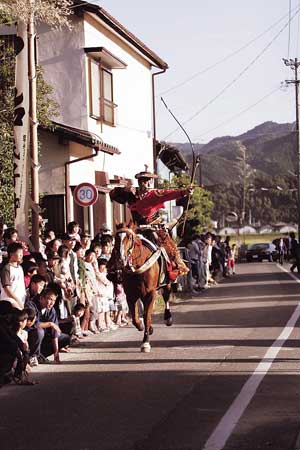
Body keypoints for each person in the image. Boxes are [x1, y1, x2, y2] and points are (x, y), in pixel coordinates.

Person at [109, 170, 193, 275]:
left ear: (151, 182)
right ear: (138, 182)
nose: (145, 184)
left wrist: (185, 191)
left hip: (153, 226)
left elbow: (170, 194)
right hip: (137, 227)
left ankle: (178, 266)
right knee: (122, 243)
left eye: (147, 181)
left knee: (169, 246)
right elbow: (112, 194)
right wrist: (124, 188)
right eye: (142, 181)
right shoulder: (131, 194)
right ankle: (113, 268)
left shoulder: (155, 194)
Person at [0, 242, 26, 309]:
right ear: (11, 254)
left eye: (22, 253)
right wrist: (17, 300)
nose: (21, 255)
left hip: (20, 300)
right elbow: (7, 289)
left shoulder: (20, 268)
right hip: (9, 301)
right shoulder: (6, 268)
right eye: (19, 253)